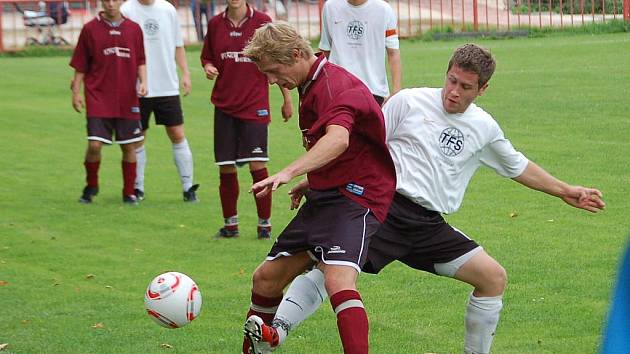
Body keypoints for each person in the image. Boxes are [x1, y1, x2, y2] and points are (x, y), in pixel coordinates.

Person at [247, 43, 606, 354]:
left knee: (493, 278)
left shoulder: (484, 127)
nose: (454, 91)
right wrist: (313, 180)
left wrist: (566, 191)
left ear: (482, 89)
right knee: (329, 267)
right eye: (451, 80)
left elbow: (518, 166)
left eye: (465, 87)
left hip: (427, 226)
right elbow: (362, 146)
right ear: (446, 74)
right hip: (384, 208)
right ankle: (276, 331)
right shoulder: (408, 102)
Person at [239, 22, 396, 354]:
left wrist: (288, 172)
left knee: (337, 280)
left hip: (358, 196)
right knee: (265, 279)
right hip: (328, 193)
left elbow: (338, 140)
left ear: (296, 54)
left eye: (273, 71)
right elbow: (351, 147)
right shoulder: (310, 83)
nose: (270, 81)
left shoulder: (335, 87)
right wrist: (311, 180)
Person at [201, 0, 292, 239]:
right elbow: (207, 57)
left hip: (255, 105)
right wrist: (208, 67)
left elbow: (279, 62)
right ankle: (230, 225)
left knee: (257, 163)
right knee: (226, 166)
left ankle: (265, 225)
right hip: (224, 105)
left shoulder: (262, 22)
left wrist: (287, 99)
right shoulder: (214, 24)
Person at [121, 0, 200, 203]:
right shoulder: (127, 10)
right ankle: (137, 188)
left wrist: (185, 73)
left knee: (177, 133)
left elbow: (178, 45)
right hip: (138, 87)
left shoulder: (167, 9)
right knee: (138, 137)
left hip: (167, 85)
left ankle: (188, 187)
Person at [70, 0, 147, 205]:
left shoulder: (134, 29)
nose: (111, 4)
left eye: (115, 0)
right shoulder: (90, 29)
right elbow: (80, 63)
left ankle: (129, 192)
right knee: (95, 145)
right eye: (107, 0)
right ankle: (91, 186)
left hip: (127, 97)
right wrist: (76, 91)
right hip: (98, 96)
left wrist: (144, 82)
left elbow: (140, 60)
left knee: (129, 147)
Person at [319, 0, 401, 105]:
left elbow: (393, 53)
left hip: (374, 91)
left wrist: (396, 92)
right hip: (337, 90)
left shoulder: (384, 10)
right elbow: (325, 50)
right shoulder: (330, 7)